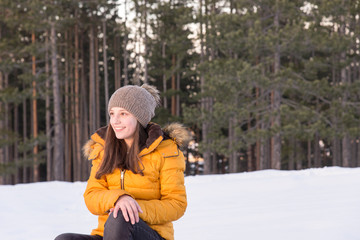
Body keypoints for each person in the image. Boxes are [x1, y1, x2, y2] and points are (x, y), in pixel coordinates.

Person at [55, 84, 190, 240]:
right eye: (112, 113)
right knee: (64, 239)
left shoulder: (166, 151)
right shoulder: (103, 150)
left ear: (139, 118)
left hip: (151, 235)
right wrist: (119, 198)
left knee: (120, 217)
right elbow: (92, 196)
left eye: (123, 114)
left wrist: (132, 208)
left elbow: (176, 204)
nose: (115, 121)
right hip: (108, 234)